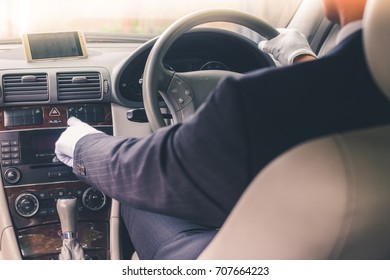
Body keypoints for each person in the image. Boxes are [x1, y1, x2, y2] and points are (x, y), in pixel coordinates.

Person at [55, 0, 390, 259]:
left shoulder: (258, 101)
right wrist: (302, 60)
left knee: (135, 199)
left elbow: (156, 173)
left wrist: (82, 144)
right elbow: (344, 96)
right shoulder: (365, 91)